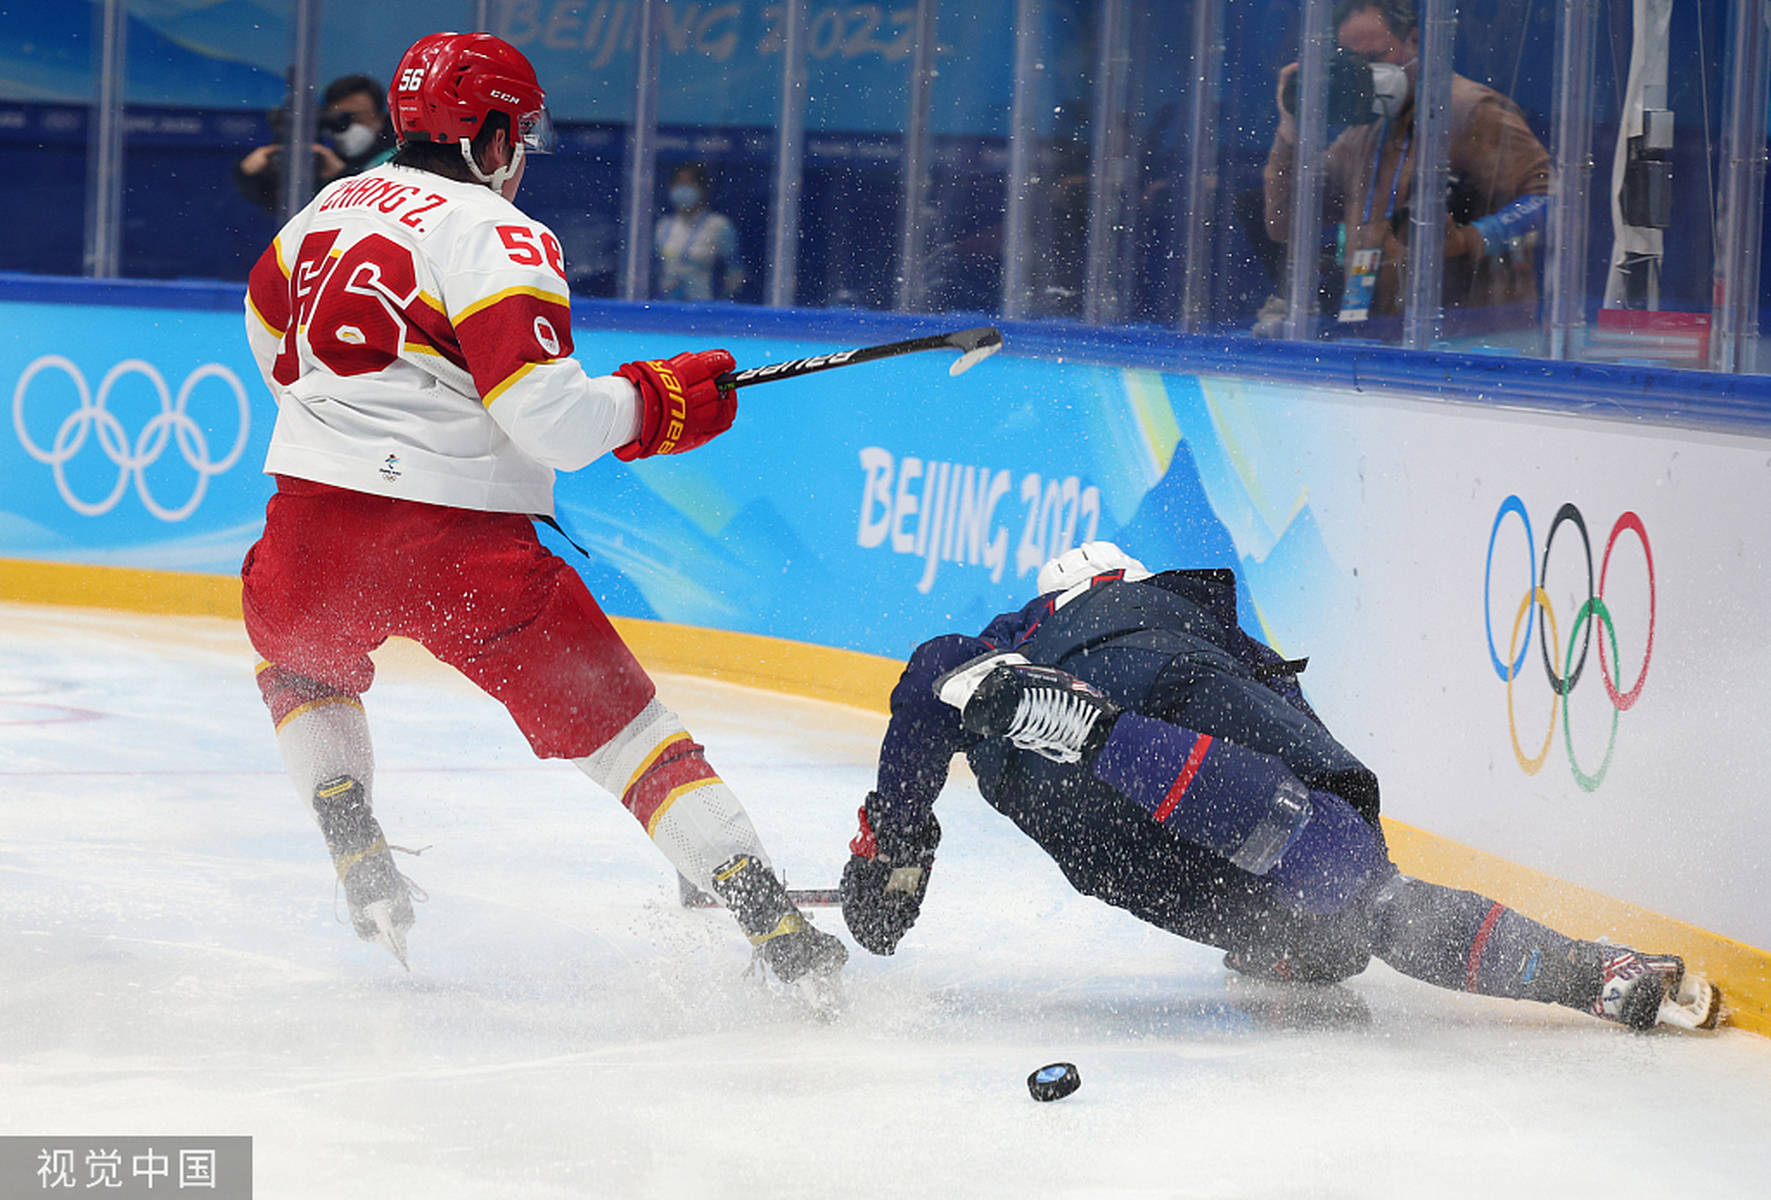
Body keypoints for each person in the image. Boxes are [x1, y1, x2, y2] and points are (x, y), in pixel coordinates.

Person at [238, 32, 845, 1002]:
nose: (519, 154)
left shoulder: (321, 213)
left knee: (301, 660)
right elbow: (552, 422)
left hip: (310, 535)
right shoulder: (496, 231)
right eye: (514, 133)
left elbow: (272, 335)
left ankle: (344, 817)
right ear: (484, 136)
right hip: (464, 553)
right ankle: (772, 920)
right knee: (632, 738)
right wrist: (659, 401)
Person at [839, 541, 1723, 1033]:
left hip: (1059, 805)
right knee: (1355, 892)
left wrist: (896, 843)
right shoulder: (1166, 608)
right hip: (1161, 720)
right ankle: (1587, 973)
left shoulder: (1010, 636)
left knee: (1313, 940)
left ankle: (1093, 738)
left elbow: (930, 674)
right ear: (1118, 578)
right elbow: (1301, 758)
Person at [1261, 1, 1552, 328]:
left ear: (1413, 41)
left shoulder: (1471, 110)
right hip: (1383, 336)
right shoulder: (1361, 132)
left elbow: (1553, 202)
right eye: (1352, 62)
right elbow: (1284, 223)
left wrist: (1472, 238)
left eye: (1374, 58)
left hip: (1474, 339)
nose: (1365, 75)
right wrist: (1291, 128)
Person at [234, 74, 398, 216]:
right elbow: (280, 208)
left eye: (358, 117)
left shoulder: (400, 155)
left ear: (380, 116)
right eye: (341, 120)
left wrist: (341, 174)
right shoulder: (321, 155)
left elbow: (382, 206)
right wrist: (247, 173)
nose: (350, 126)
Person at [654, 163, 747, 302]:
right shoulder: (663, 226)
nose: (683, 189)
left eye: (689, 184)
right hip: (667, 305)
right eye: (678, 184)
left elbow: (735, 271)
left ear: (703, 189)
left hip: (706, 306)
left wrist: (725, 299)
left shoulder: (719, 225)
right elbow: (656, 269)